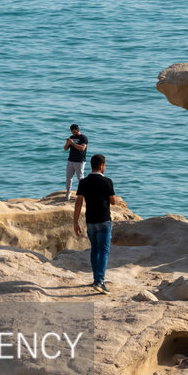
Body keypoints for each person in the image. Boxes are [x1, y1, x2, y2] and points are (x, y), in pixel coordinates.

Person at [73, 153, 122, 294]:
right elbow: (113, 201)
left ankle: (96, 279)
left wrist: (75, 222)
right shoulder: (107, 181)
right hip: (104, 221)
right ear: (101, 166)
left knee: (94, 250)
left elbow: (78, 203)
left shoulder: (83, 182)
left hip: (90, 221)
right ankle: (99, 281)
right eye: (105, 165)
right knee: (104, 251)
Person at [63, 124, 89, 200]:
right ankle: (68, 192)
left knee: (80, 178)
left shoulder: (83, 138)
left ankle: (82, 193)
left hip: (80, 161)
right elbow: (65, 149)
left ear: (78, 130)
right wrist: (68, 143)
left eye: (74, 132)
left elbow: (82, 148)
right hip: (71, 160)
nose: (73, 134)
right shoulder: (72, 137)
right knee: (68, 177)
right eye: (72, 132)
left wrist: (73, 143)